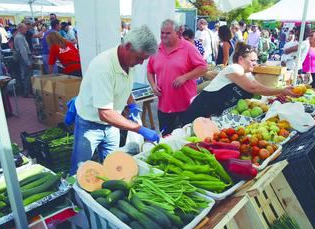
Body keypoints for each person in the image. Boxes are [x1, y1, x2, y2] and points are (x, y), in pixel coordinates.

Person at [69, 25, 159, 175]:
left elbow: (125, 86)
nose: (141, 63)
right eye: (140, 58)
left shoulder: (130, 62)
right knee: (80, 170)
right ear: (128, 46)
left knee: (113, 168)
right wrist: (139, 129)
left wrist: (132, 105)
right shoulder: (104, 66)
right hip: (90, 125)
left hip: (111, 126)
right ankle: (75, 196)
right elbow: (105, 113)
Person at [179, 42, 299, 126]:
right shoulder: (234, 68)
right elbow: (253, 88)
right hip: (201, 109)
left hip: (214, 115)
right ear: (241, 59)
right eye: (252, 60)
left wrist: (278, 93)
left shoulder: (247, 75)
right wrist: (281, 90)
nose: (255, 63)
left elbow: (260, 88)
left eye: (256, 60)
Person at [147, 19, 207, 135]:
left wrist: (185, 77)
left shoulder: (188, 48)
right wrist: (153, 86)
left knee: (184, 140)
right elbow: (149, 71)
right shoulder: (157, 49)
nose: (164, 36)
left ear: (177, 33)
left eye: (168, 33)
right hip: (163, 108)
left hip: (185, 107)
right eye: (162, 33)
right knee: (166, 139)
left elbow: (203, 67)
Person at [13, 23, 33, 97]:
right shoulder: (19, 37)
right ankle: (26, 93)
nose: (26, 29)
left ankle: (27, 92)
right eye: (25, 28)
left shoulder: (19, 36)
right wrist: (28, 62)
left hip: (23, 57)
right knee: (27, 75)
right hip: (24, 57)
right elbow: (23, 50)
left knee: (26, 75)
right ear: (20, 29)